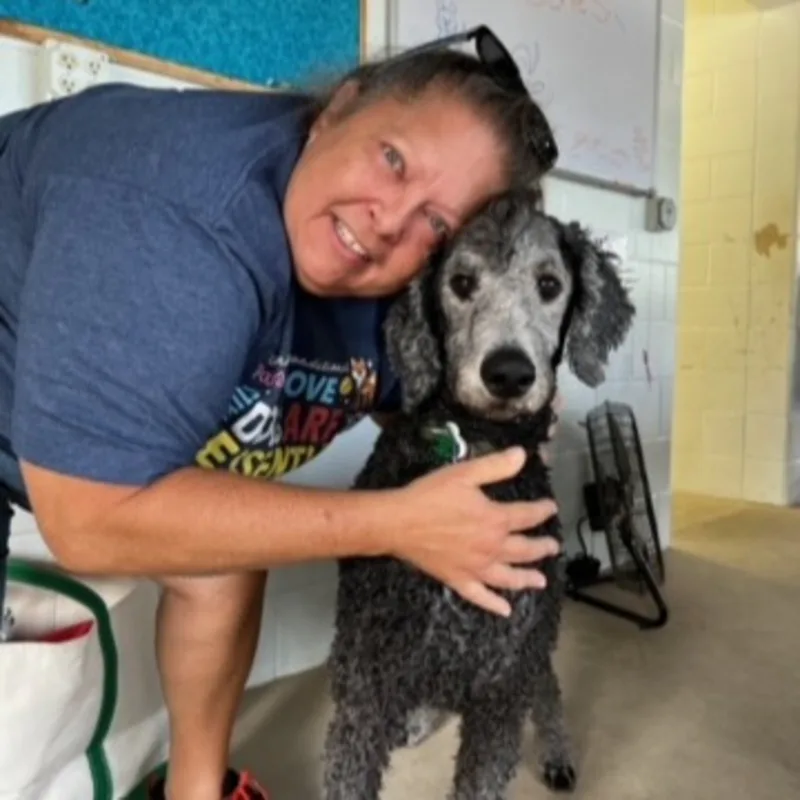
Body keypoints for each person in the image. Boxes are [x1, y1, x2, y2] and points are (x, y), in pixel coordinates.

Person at [0, 27, 563, 800]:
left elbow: (416, 419)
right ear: (337, 110)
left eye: (437, 223)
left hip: (90, 439)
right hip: (45, 424)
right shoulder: (178, 219)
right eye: (392, 158)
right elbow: (89, 517)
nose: (389, 220)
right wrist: (396, 522)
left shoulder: (412, 296)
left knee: (226, 543)